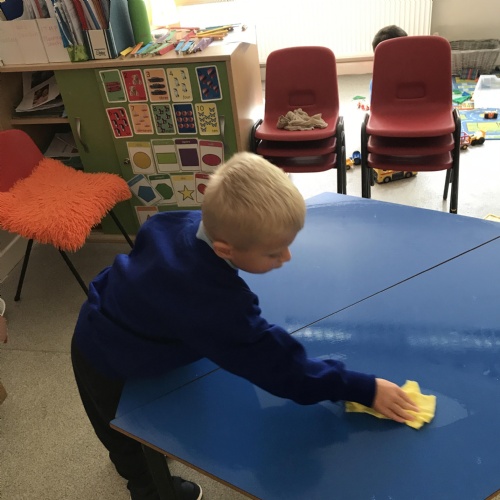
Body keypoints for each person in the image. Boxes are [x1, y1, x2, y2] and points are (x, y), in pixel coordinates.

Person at [71, 152, 418, 500]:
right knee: (126, 440)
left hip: (122, 313)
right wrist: (363, 388)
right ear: (225, 249)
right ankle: (148, 490)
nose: (286, 257)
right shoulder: (212, 303)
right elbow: (281, 368)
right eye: (274, 252)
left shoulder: (181, 222)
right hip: (104, 354)